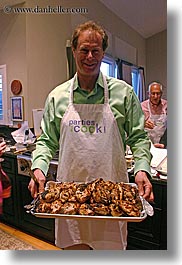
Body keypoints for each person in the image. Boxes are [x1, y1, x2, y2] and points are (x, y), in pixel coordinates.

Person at [28, 20, 154, 250]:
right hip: (69, 199)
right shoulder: (57, 96)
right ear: (74, 51)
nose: (89, 57)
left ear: (103, 53)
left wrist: (142, 169)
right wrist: (38, 168)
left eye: (95, 51)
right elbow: (46, 141)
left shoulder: (123, 93)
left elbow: (138, 138)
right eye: (84, 50)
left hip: (112, 199)